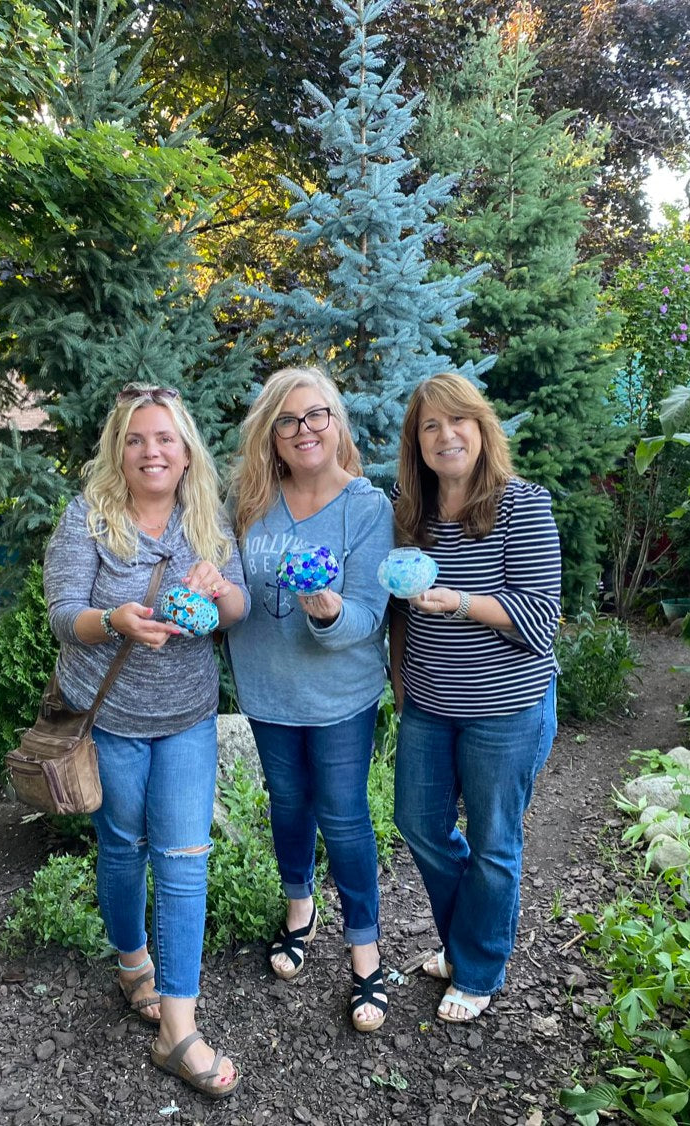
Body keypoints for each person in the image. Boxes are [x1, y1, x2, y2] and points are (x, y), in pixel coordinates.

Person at [43, 385, 249, 1098]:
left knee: (186, 861)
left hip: (188, 719)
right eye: (136, 440)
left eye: (164, 438)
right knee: (123, 848)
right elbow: (65, 614)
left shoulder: (207, 517)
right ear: (118, 453)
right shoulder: (89, 518)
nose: (151, 450)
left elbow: (238, 607)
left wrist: (219, 587)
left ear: (186, 449)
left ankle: (179, 1031)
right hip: (110, 721)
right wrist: (117, 620)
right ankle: (134, 962)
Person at [389, 372, 561, 1023]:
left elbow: (541, 616)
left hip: (506, 711)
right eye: (430, 425)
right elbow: (397, 614)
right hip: (430, 706)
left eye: (457, 420)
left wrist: (462, 603)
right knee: (420, 824)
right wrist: (402, 687)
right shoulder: (412, 512)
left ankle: (479, 964)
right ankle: (467, 938)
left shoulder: (521, 504)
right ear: (419, 442)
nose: (445, 435)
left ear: (481, 428)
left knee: (493, 842)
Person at [227, 366, 394, 1032]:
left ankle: (366, 952)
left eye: (316, 415)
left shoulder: (366, 507)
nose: (304, 431)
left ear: (336, 421)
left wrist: (326, 613)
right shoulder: (249, 503)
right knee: (288, 803)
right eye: (288, 421)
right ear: (271, 434)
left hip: (339, 697)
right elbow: (232, 590)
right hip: (268, 694)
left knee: (345, 815)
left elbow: (369, 617)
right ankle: (299, 908)